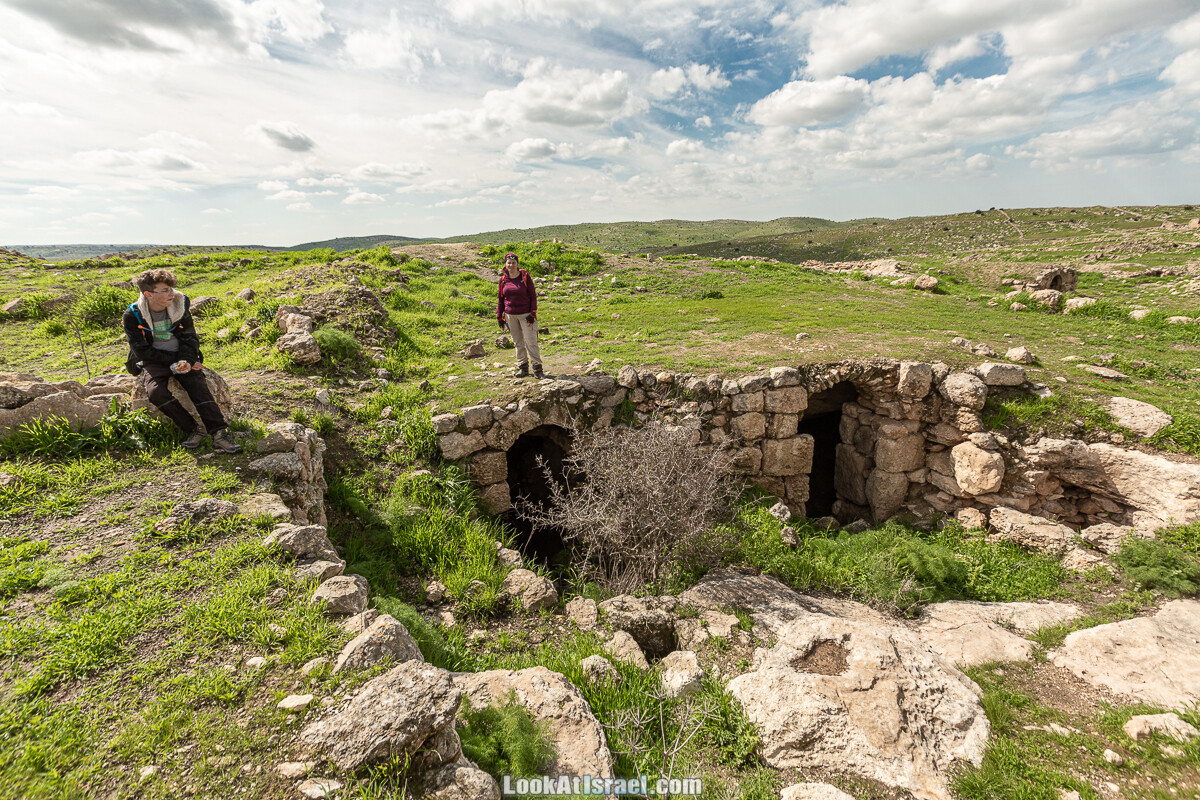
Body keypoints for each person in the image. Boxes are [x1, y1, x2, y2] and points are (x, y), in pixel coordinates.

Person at [123, 268, 241, 453]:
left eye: (171, 288)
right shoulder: (132, 315)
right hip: (155, 361)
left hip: (182, 355)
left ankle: (220, 433)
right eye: (165, 290)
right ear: (148, 294)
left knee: (197, 384)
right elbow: (141, 350)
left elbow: (190, 338)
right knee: (156, 393)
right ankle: (194, 430)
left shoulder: (179, 306)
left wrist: (187, 360)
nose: (172, 293)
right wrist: (172, 362)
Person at [496, 252, 545, 379]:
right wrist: (499, 318)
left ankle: (538, 370)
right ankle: (523, 368)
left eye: (513, 263)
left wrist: (532, 313)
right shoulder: (502, 280)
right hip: (510, 315)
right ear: (505, 265)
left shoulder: (524, 277)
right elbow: (501, 300)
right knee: (518, 342)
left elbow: (533, 296)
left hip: (526, 315)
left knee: (531, 342)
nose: (511, 265)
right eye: (509, 263)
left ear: (517, 264)